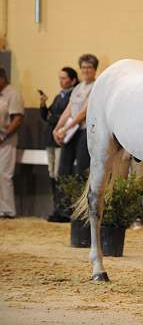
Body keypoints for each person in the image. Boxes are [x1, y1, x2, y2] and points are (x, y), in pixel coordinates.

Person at [53, 54, 98, 217]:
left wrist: (66, 128)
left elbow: (83, 113)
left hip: (85, 131)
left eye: (89, 67)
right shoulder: (78, 88)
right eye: (83, 67)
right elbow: (69, 110)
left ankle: (80, 209)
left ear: (94, 70)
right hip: (71, 131)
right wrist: (58, 127)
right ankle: (62, 209)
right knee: (63, 168)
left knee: (81, 169)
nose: (86, 70)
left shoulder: (96, 86)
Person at [40, 67, 79, 222]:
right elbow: (47, 116)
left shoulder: (73, 96)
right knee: (52, 175)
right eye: (60, 78)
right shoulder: (58, 96)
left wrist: (53, 118)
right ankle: (57, 208)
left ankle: (64, 209)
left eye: (64, 78)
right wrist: (43, 105)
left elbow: (64, 117)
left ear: (73, 80)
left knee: (60, 174)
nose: (61, 81)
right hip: (51, 139)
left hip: (63, 139)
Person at [0, 66, 24, 219]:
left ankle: (9, 210)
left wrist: (4, 136)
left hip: (6, 140)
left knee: (4, 174)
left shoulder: (12, 94)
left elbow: (17, 118)